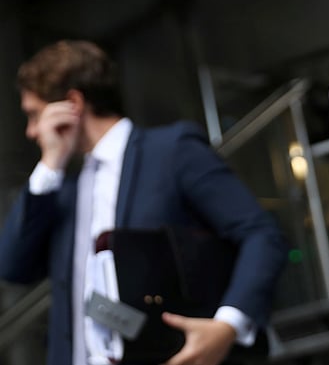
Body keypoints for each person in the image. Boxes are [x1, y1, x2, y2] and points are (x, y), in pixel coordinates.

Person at [0, 40, 287, 365]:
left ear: (72, 104)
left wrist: (227, 325)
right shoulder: (62, 189)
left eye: (34, 115)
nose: (30, 130)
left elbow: (261, 234)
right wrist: (49, 166)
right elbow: (13, 267)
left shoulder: (171, 151)